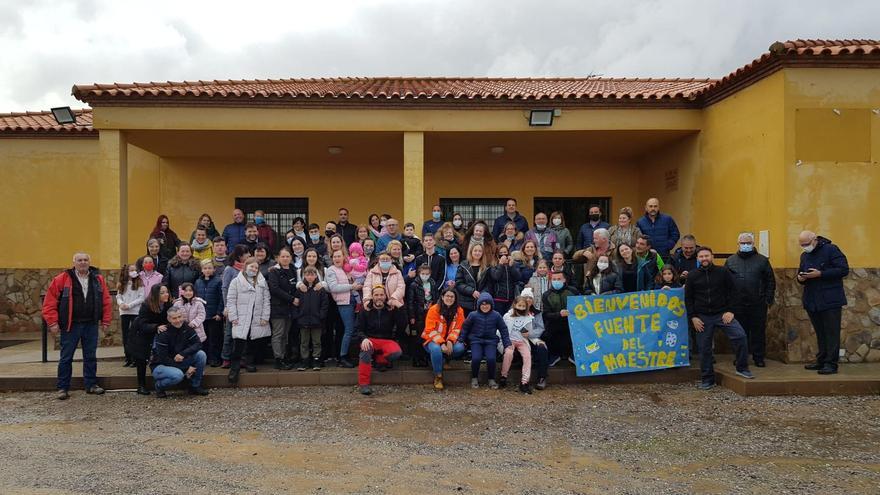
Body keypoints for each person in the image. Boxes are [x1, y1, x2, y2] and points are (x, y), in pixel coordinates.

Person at [42, 253, 111, 400]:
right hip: (71, 325)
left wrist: (105, 320)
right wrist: (52, 322)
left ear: (89, 262)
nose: (83, 262)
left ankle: (91, 384)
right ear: (74, 262)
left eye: (85, 260)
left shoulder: (98, 279)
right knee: (66, 357)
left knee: (90, 356)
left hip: (91, 324)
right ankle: (62, 387)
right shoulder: (62, 279)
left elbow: (106, 301)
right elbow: (50, 301)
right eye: (79, 260)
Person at [685, 247, 754, 390]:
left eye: (707, 256)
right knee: (704, 348)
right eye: (701, 256)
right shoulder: (692, 276)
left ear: (712, 256)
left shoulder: (723, 272)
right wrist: (693, 317)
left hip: (722, 314)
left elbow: (734, 292)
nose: (704, 258)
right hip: (702, 317)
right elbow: (688, 299)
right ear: (697, 258)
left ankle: (742, 368)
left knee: (740, 336)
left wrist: (730, 311)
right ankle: (707, 379)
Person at [797, 231, 849, 375]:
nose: (804, 247)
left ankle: (831, 363)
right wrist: (801, 278)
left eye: (806, 244)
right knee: (820, 332)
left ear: (815, 240)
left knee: (831, 332)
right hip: (812, 299)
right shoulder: (805, 255)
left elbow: (843, 269)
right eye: (802, 245)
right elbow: (800, 272)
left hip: (830, 299)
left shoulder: (831, 250)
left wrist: (821, 274)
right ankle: (822, 360)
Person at [725, 232, 776, 367]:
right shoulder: (730, 261)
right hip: (737, 304)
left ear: (753, 244)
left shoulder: (763, 260)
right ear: (738, 244)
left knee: (758, 332)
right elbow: (725, 283)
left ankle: (758, 357)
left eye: (748, 243)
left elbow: (770, 281)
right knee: (739, 333)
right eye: (743, 243)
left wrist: (768, 299)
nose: (745, 245)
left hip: (758, 303)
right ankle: (740, 357)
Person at [226, 257, 272, 384]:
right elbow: (231, 300)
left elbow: (266, 301)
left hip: (256, 317)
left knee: (253, 342)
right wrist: (233, 317)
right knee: (238, 343)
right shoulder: (236, 281)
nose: (254, 269)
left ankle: (248, 362)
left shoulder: (262, 283)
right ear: (245, 266)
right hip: (241, 317)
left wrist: (265, 317)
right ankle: (234, 369)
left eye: (256, 268)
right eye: (252, 266)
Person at [355, 286, 407, 395]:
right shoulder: (365, 310)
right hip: (370, 340)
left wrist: (400, 307)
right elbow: (358, 329)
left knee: (396, 353)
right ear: (372, 297)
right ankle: (364, 384)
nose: (379, 297)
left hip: (386, 340)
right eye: (376, 295)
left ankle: (379, 358)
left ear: (385, 296)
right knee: (365, 352)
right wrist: (364, 338)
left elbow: (402, 325)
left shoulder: (391, 309)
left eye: (381, 295)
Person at [149, 307, 209, 398]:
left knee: (201, 355)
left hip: (179, 360)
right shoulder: (163, 333)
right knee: (178, 375)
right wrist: (186, 369)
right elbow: (163, 358)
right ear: (169, 319)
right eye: (174, 318)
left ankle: (195, 386)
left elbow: (198, 344)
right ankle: (159, 386)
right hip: (161, 365)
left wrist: (183, 354)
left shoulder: (187, 327)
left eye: (179, 317)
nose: (178, 320)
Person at [460, 293, 511, 389]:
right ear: (479, 305)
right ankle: (474, 377)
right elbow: (465, 328)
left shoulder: (496, 315)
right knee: (476, 358)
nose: (485, 306)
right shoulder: (473, 315)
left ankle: (491, 378)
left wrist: (507, 343)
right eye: (482, 304)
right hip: (476, 341)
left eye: (487, 304)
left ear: (491, 305)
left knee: (491, 359)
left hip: (490, 341)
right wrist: (461, 339)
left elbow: (503, 329)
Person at [129, 284, 171, 395]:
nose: (166, 294)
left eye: (166, 292)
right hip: (142, 335)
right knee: (141, 360)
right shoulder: (146, 305)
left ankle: (160, 384)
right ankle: (141, 385)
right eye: (162, 293)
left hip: (159, 335)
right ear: (156, 294)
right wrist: (156, 327)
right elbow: (142, 323)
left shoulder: (167, 304)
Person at [421, 288, 466, 390]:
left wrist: (450, 341)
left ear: (455, 299)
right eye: (447, 296)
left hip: (449, 340)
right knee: (436, 349)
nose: (449, 298)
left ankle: (445, 360)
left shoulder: (459, 311)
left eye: (452, 297)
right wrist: (441, 343)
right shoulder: (433, 309)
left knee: (460, 348)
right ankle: (438, 376)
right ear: (442, 297)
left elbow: (458, 328)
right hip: (432, 339)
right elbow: (430, 330)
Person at [326, 249, 361, 368]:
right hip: (343, 303)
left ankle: (346, 356)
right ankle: (343, 357)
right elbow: (333, 287)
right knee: (349, 330)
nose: (336, 258)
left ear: (343, 257)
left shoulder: (345, 269)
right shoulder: (331, 270)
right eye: (334, 256)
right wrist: (352, 286)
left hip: (352, 301)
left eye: (339, 256)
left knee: (351, 329)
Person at [294, 266, 330, 370]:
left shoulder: (320, 289)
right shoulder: (300, 289)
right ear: (304, 276)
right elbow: (296, 303)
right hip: (303, 320)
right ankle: (304, 361)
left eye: (312, 274)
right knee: (304, 342)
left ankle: (316, 360)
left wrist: (321, 316)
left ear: (316, 276)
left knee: (316, 342)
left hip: (317, 320)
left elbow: (325, 304)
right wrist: (298, 315)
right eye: (307, 274)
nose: (310, 277)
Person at [221, 244, 251, 368]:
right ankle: (226, 358)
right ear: (240, 256)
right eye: (247, 253)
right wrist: (227, 306)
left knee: (243, 334)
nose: (249, 255)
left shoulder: (248, 269)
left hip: (245, 307)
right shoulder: (229, 269)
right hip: (232, 306)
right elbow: (225, 288)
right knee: (229, 333)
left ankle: (241, 358)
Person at [542, 270, 578, 366]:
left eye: (559, 279)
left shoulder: (573, 291)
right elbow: (546, 314)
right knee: (548, 333)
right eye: (554, 279)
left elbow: (580, 307)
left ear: (564, 280)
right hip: (555, 323)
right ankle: (554, 356)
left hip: (571, 323)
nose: (556, 281)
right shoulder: (546, 295)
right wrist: (559, 314)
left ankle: (573, 355)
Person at [500, 296, 535, 394]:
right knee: (509, 353)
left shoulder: (528, 317)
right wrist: (504, 341)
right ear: (515, 305)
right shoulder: (508, 316)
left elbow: (530, 332)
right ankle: (504, 376)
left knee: (527, 356)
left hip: (522, 341)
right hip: (510, 340)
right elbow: (502, 329)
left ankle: (524, 382)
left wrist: (528, 333)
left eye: (523, 306)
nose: (521, 307)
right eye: (519, 305)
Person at [406, 263, 438, 367]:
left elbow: (436, 298)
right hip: (418, 314)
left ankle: (425, 357)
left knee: (427, 336)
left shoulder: (433, 283)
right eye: (423, 273)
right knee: (417, 337)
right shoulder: (414, 285)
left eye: (427, 273)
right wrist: (412, 316)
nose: (425, 275)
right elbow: (410, 301)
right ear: (419, 273)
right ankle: (416, 358)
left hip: (430, 313)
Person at [194, 258, 224, 367]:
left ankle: (214, 358)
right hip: (202, 317)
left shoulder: (218, 281)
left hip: (213, 316)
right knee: (203, 338)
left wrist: (219, 313)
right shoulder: (198, 282)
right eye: (205, 268)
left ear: (214, 269)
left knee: (214, 339)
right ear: (201, 270)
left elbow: (221, 298)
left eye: (209, 268)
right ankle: (205, 358)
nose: (207, 270)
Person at [519, 288, 549, 390]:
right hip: (518, 338)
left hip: (533, 338)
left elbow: (540, 328)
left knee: (542, 348)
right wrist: (523, 334)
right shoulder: (515, 310)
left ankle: (542, 377)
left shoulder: (537, 313)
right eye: (525, 297)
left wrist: (529, 334)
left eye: (530, 298)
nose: (528, 300)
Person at [117, 263, 145, 368]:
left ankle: (135, 358)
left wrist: (129, 305)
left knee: (134, 335)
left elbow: (141, 298)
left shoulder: (139, 283)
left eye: (135, 270)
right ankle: (128, 357)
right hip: (124, 312)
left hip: (135, 312)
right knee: (126, 336)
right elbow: (118, 296)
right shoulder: (122, 284)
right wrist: (121, 304)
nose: (133, 272)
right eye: (131, 270)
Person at [455, 243, 491, 315]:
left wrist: (482, 294)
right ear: (471, 252)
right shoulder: (463, 265)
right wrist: (472, 291)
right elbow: (459, 283)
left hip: (481, 303)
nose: (477, 253)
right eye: (475, 250)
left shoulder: (487, 267)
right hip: (465, 303)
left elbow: (489, 284)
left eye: (480, 251)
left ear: (482, 253)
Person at [490, 245, 520, 316]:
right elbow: (496, 277)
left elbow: (518, 277)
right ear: (497, 254)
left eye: (505, 252)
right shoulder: (493, 265)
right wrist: (501, 264)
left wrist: (511, 266)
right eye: (501, 253)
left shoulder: (513, 264)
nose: (503, 255)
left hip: (511, 298)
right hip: (498, 299)